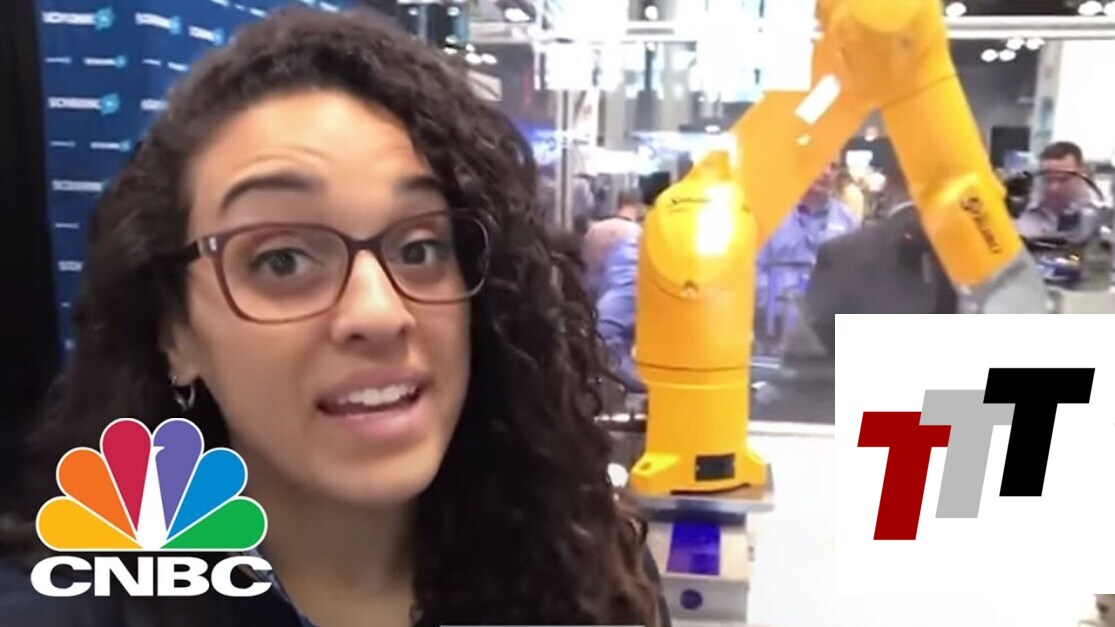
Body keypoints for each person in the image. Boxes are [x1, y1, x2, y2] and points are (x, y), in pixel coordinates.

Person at [0, 9, 668, 627]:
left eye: (420, 248)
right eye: (283, 260)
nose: (379, 312)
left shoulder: (589, 572)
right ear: (175, 332)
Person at [755, 162, 859, 345]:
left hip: (828, 339)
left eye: (833, 167)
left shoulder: (848, 221)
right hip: (771, 334)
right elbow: (752, 275)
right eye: (820, 163)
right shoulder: (769, 215)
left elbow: (857, 282)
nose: (826, 172)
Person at [581, 190, 644, 393]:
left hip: (594, 304)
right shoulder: (635, 234)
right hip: (614, 312)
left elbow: (588, 271)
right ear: (638, 207)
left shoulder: (594, 230)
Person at [1015, 141, 1100, 245]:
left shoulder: (1098, 218)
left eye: (1064, 180)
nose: (1053, 188)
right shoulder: (1021, 213)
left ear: (1081, 172)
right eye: (1048, 180)